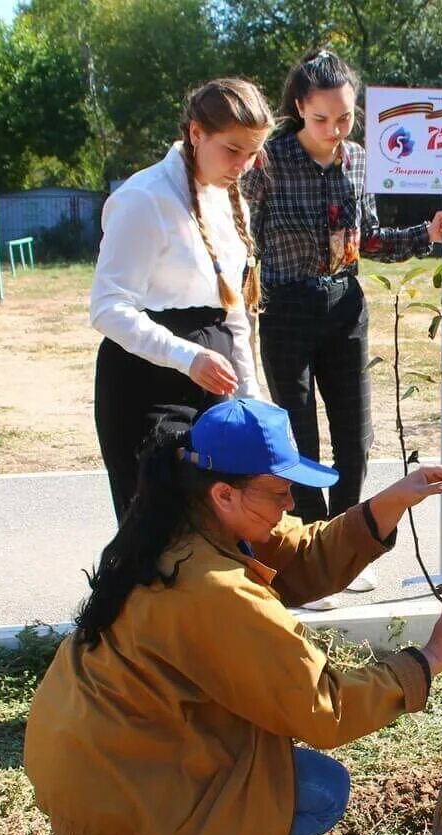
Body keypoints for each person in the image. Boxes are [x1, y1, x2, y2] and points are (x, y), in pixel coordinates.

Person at [24, 398, 442, 835]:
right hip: (114, 778)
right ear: (225, 493)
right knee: (319, 792)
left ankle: (141, 832)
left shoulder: (181, 521)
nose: (292, 502)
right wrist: (427, 660)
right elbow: (323, 708)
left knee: (264, 756)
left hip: (90, 762)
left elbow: (297, 554)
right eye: (280, 490)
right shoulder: (215, 589)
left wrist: (391, 502)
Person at [243, 49, 442, 596]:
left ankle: (346, 548)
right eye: (323, 119)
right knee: (300, 436)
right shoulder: (266, 162)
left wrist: (426, 234)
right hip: (285, 308)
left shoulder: (359, 159)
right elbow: (242, 236)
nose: (336, 130)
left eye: (346, 117)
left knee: (355, 434)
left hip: (345, 308)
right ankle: (304, 558)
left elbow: (370, 240)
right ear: (299, 108)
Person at [90, 78, 273, 521]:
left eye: (252, 154)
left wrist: (248, 397)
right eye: (233, 150)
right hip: (146, 388)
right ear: (196, 134)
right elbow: (107, 307)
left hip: (213, 386)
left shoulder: (231, 202)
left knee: (215, 532)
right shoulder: (143, 199)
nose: (244, 166)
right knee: (157, 538)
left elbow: (233, 314)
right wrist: (188, 357)